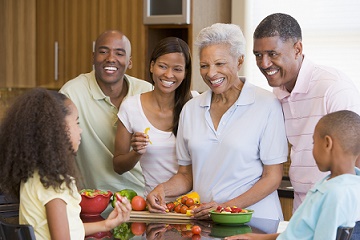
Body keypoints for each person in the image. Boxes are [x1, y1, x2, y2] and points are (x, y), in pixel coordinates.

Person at [146, 23, 288, 221]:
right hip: (206, 222)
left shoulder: (266, 104)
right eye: (204, 65)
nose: (211, 73)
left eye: (220, 64)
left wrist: (226, 208)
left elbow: (272, 177)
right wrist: (162, 189)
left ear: (239, 61)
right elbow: (186, 175)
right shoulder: (191, 109)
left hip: (255, 221)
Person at [253, 13, 360, 213]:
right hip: (304, 203)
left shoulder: (333, 87)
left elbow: (357, 152)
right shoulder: (278, 93)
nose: (264, 63)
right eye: (258, 55)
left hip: (340, 208)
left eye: (272, 54)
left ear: (297, 49)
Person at [0, 88, 132, 239]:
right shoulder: (54, 183)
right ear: (57, 131)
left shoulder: (34, 176)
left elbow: (69, 228)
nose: (80, 130)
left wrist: (106, 225)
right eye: (76, 122)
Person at [225, 110, 360, 240]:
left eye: (314, 142)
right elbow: (299, 235)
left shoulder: (333, 194)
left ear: (327, 143)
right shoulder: (347, 185)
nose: (312, 149)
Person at [59, 30, 153, 196]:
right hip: (94, 204)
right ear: (93, 57)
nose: (110, 58)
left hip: (144, 202)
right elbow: (56, 152)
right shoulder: (72, 94)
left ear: (129, 62)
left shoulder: (147, 91)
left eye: (119, 53)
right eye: (103, 52)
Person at [113, 37, 195, 200]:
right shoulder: (131, 106)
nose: (169, 74)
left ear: (185, 73)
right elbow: (118, 166)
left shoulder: (195, 105)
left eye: (177, 69)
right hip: (154, 205)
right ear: (152, 66)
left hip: (193, 205)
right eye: (162, 66)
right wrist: (136, 153)